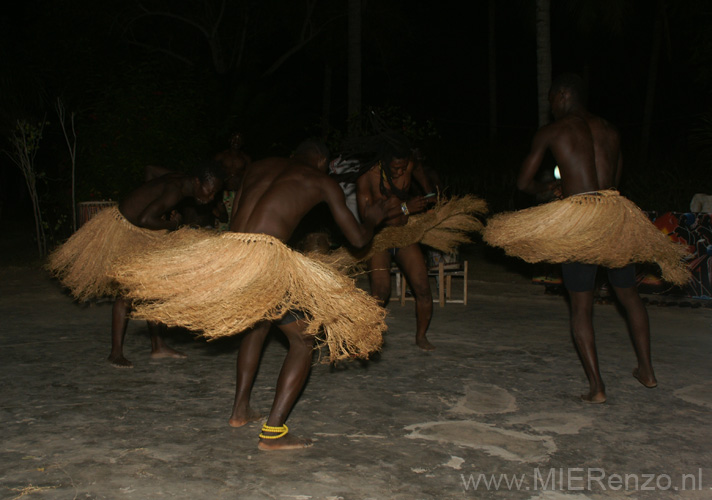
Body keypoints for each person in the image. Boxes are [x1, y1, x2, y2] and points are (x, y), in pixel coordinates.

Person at [226, 140, 390, 450]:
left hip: (231, 257)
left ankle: (240, 411)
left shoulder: (258, 166)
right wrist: (372, 218)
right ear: (323, 161)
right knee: (303, 340)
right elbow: (357, 239)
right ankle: (273, 433)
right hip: (264, 263)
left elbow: (237, 219)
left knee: (257, 326)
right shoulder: (320, 180)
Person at [514, 73, 657, 403]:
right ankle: (647, 371)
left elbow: (523, 183)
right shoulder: (610, 130)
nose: (551, 108)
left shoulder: (555, 131)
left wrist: (548, 189)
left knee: (581, 306)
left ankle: (597, 388)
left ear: (563, 95)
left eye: (551, 101)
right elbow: (614, 181)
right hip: (613, 216)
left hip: (581, 222)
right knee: (629, 296)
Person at [48, 162, 224, 368]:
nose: (211, 198)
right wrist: (171, 223)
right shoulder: (174, 193)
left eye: (215, 194)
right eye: (209, 192)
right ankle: (115, 353)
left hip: (136, 228)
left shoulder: (179, 178)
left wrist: (149, 196)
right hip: (125, 229)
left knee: (152, 288)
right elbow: (145, 218)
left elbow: (150, 169)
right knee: (127, 294)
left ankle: (158, 346)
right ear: (197, 181)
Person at [355, 135, 438, 350]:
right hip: (379, 238)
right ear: (384, 161)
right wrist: (404, 208)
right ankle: (364, 337)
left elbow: (419, 169)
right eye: (395, 168)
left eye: (403, 168)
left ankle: (421, 337)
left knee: (423, 288)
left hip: (404, 234)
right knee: (381, 292)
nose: (401, 172)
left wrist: (429, 192)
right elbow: (367, 218)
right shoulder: (367, 176)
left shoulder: (408, 164)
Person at [213, 132, 252, 230]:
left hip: (238, 195)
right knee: (221, 221)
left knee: (236, 222)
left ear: (242, 142)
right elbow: (212, 173)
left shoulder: (246, 159)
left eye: (239, 139)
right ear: (229, 140)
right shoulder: (221, 156)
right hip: (223, 194)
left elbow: (249, 177)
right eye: (234, 138)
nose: (236, 142)